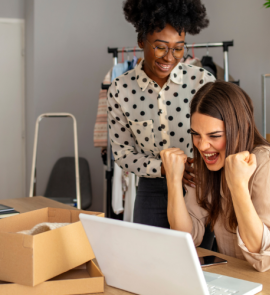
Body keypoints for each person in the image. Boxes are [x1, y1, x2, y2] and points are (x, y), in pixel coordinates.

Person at [107, 0, 215, 228]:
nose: (169, 57)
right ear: (141, 41)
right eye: (160, 46)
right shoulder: (121, 89)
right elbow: (123, 153)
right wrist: (164, 168)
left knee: (199, 259)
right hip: (152, 189)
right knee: (149, 256)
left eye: (178, 48)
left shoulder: (202, 81)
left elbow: (220, 136)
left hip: (199, 186)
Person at [161, 81, 270, 272]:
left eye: (214, 135)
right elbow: (186, 237)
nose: (202, 146)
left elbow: (263, 257)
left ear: (241, 127)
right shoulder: (208, 164)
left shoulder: (264, 163)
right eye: (196, 134)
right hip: (234, 277)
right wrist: (173, 180)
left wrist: (237, 185)